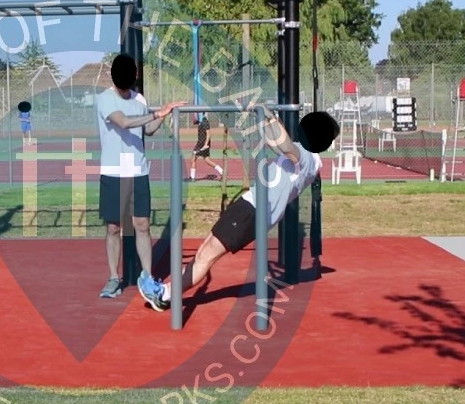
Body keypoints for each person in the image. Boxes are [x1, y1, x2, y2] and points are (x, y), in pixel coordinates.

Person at [138, 109, 340, 311]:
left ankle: (164, 294)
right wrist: (265, 120)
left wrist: (270, 118)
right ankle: (166, 291)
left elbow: (285, 145)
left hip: (253, 210)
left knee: (206, 255)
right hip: (252, 208)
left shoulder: (306, 156)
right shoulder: (310, 161)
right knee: (205, 250)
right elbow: (275, 142)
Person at [96, 53, 185, 298]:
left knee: (142, 225)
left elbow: (148, 130)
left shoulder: (140, 99)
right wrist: (157, 113)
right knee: (114, 227)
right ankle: (114, 278)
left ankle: (147, 275)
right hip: (114, 172)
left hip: (137, 170)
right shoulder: (105, 99)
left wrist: (164, 114)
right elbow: (123, 123)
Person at [188, 115, 225, 181]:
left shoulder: (204, 122)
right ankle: (222, 172)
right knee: (207, 160)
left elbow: (208, 134)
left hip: (202, 144)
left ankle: (192, 177)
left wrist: (205, 145)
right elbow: (194, 121)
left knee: (193, 159)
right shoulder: (200, 121)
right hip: (201, 143)